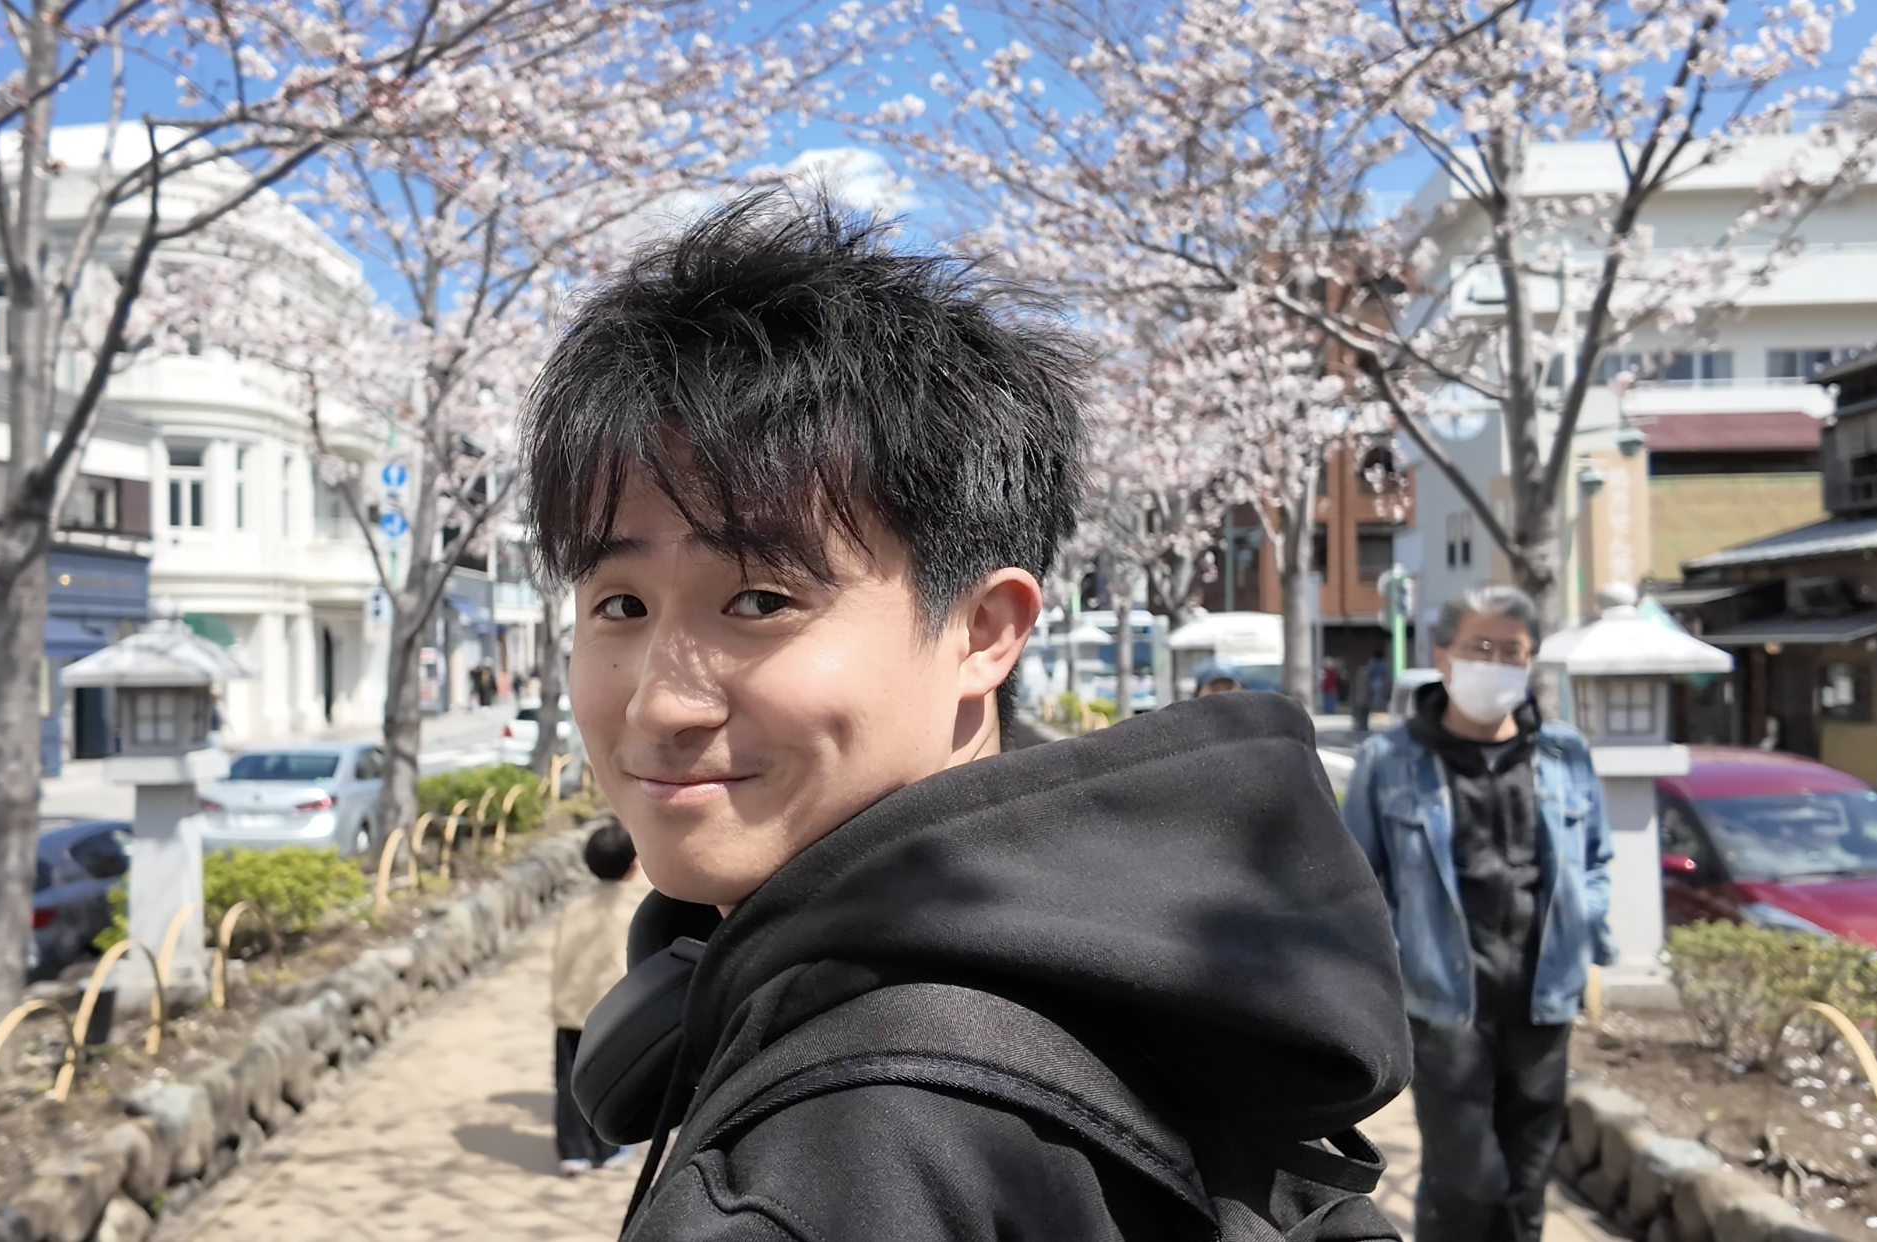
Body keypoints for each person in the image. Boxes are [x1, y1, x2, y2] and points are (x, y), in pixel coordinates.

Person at [522, 191, 1410, 1240]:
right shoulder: (1133, 970)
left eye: (759, 601)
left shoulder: (832, 1169)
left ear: (984, 631)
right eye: (617, 605)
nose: (663, 700)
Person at [1341, 584, 1615, 1242]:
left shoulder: (1564, 754)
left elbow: (1598, 858)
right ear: (1443, 655)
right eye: (1480, 647)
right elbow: (1355, 879)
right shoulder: (1391, 760)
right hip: (1444, 1005)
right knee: (1468, 1180)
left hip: (1543, 999)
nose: (1496, 663)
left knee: (1526, 1179)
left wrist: (1585, 938)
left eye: (1512, 651)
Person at [550, 820, 655, 1176]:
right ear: (632, 866)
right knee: (610, 1082)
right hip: (613, 1012)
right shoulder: (637, 906)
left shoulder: (574, 907)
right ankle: (607, 1148)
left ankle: (572, 1151)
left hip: (569, 1007)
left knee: (568, 1083)